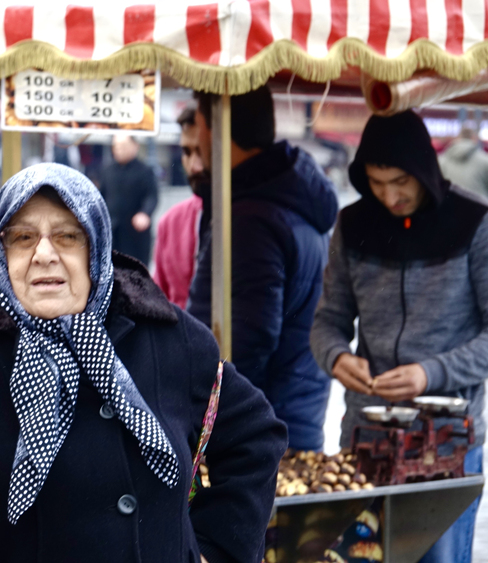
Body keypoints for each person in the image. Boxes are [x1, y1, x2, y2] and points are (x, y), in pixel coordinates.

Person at [0, 163, 287, 563]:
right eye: (23, 237)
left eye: (67, 236)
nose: (44, 255)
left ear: (95, 246)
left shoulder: (165, 335)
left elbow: (255, 436)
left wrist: (213, 549)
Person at [311, 111, 488, 563]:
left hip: (446, 442)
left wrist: (430, 374)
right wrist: (336, 357)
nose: (390, 196)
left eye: (400, 182)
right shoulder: (352, 224)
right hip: (365, 437)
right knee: (359, 556)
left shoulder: (478, 222)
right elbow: (327, 321)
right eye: (376, 183)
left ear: (424, 170)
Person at [186, 86, 339, 452]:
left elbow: (245, 339)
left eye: (198, 123)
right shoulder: (286, 196)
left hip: (259, 433)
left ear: (212, 126)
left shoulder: (252, 217)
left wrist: (204, 420)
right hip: (292, 415)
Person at [153, 105, 205, 309]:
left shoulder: (246, 220)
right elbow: (159, 299)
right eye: (187, 152)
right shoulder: (170, 222)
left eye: (202, 152)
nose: (194, 166)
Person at [100, 135, 158, 264]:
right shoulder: (108, 170)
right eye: (116, 147)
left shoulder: (145, 171)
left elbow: (151, 196)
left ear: (135, 147)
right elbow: (101, 197)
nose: (119, 150)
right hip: (113, 231)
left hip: (135, 233)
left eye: (123, 146)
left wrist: (145, 213)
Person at [438, 121, 488, 202]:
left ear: (458, 138)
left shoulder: (441, 160)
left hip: (450, 206)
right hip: (481, 207)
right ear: (474, 138)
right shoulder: (487, 161)